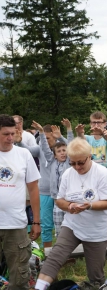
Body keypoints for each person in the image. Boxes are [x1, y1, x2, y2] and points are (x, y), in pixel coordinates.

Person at [34, 138, 107, 290]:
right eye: (72, 163)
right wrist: (70, 205)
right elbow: (59, 200)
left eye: (80, 163)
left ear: (89, 156)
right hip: (72, 225)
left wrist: (88, 205)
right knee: (54, 257)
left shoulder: (102, 173)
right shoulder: (67, 174)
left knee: (96, 275)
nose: (77, 167)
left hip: (96, 230)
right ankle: (39, 288)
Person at [0, 114, 41, 290]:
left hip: (15, 223)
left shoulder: (23, 154)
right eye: (5, 134)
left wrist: (36, 221)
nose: (10, 138)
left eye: (12, 133)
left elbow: (33, 189)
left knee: (19, 276)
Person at [76, 111, 107, 262]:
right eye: (93, 122)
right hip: (90, 183)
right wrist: (80, 134)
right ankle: (87, 247)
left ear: (104, 123)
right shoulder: (87, 138)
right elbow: (81, 143)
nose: (96, 125)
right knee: (89, 215)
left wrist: (105, 132)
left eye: (99, 122)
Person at [32, 122, 73, 238]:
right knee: (59, 229)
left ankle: (75, 251)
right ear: (54, 155)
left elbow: (71, 144)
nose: (62, 153)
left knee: (71, 227)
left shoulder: (69, 162)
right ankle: (61, 251)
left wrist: (68, 129)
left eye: (64, 151)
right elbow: (45, 148)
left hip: (69, 198)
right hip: (57, 200)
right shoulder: (51, 161)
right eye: (59, 151)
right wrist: (41, 132)